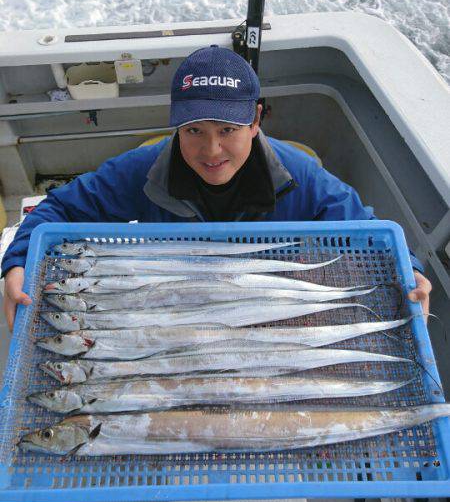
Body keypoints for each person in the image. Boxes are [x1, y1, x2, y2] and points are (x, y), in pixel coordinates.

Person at [2, 45, 431, 329]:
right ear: (175, 127)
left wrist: (410, 271)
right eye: (193, 131)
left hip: (269, 298)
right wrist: (17, 261)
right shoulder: (143, 169)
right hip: (172, 298)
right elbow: (56, 211)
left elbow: (368, 232)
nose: (211, 150)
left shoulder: (301, 176)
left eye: (228, 129)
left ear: (256, 120)